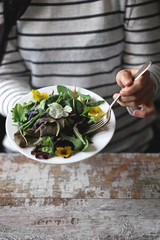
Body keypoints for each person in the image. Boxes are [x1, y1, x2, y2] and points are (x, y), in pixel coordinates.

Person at [0, 0, 160, 153]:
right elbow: (6, 76)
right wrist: (33, 115)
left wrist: (141, 88)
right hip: (31, 149)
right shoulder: (7, 4)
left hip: (125, 149)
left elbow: (149, 66)